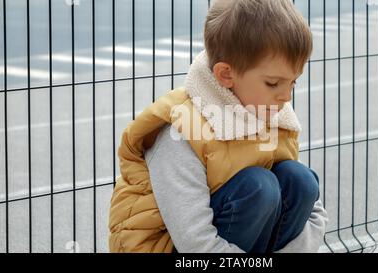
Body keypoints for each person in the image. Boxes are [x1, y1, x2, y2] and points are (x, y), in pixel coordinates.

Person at [109, 0, 328, 253]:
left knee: (300, 180)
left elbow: (315, 212)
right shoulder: (182, 129)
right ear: (226, 75)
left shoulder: (270, 112)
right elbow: (194, 241)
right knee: (259, 187)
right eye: (273, 83)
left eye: (293, 83)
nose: (286, 97)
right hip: (176, 247)